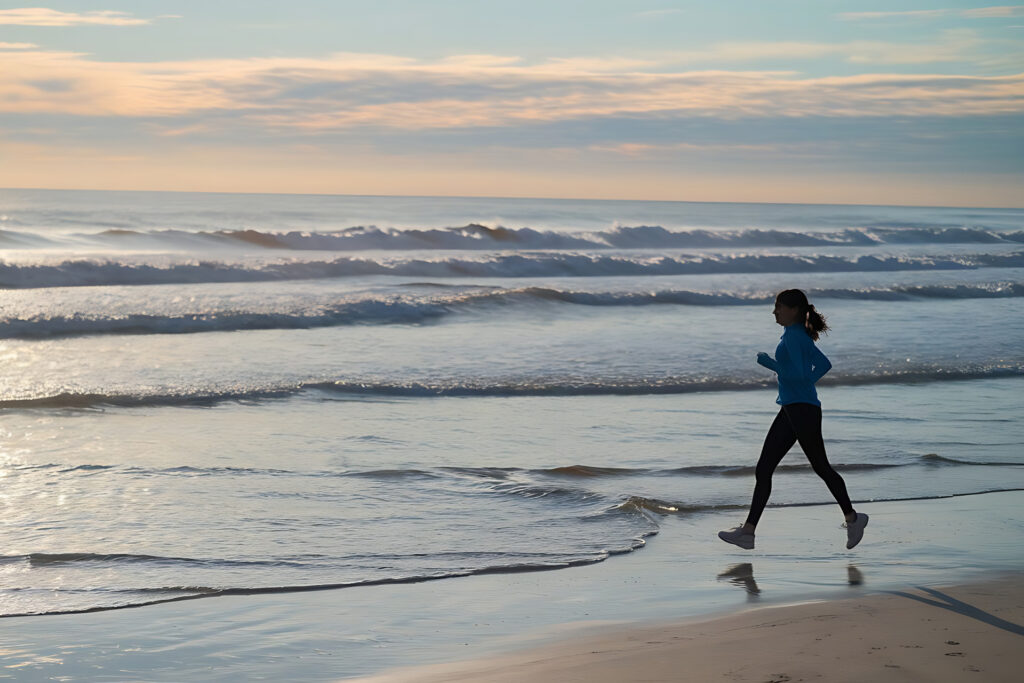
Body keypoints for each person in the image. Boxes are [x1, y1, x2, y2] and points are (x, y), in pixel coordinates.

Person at [718, 289, 868, 550]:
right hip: (793, 407)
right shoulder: (795, 335)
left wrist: (771, 364)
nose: (774, 311)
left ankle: (853, 518)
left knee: (821, 466)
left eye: (778, 307)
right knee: (764, 468)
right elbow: (822, 365)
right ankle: (748, 532)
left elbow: (799, 372)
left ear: (794, 310)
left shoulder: (795, 337)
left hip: (802, 409)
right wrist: (804, 385)